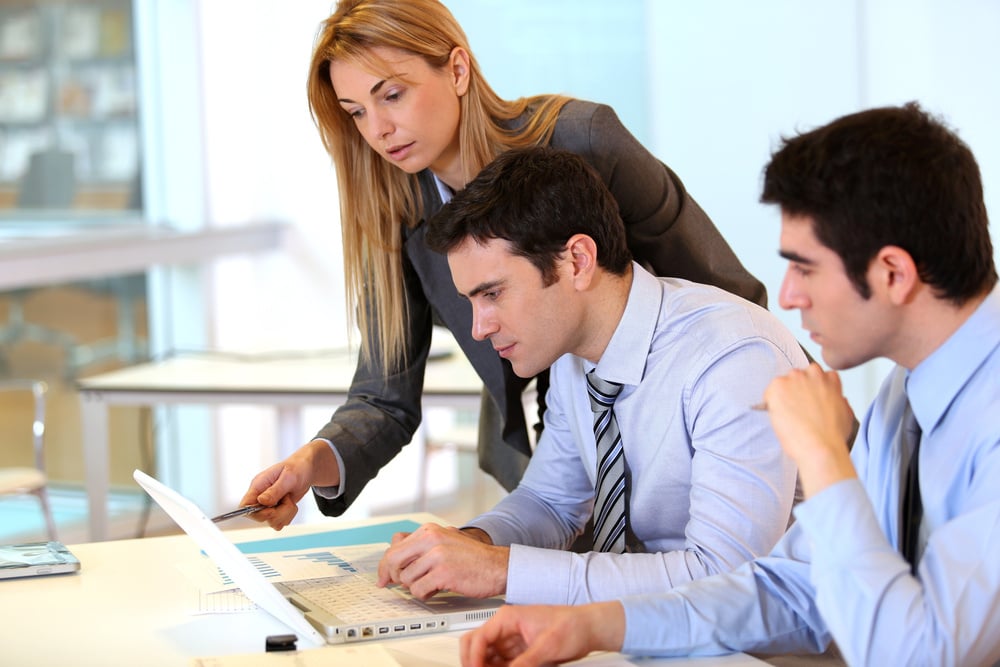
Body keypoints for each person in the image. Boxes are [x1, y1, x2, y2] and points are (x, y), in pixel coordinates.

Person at [459, 102, 1000, 667]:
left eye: (805, 268)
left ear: (892, 273)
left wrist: (823, 459)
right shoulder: (903, 398)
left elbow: (923, 653)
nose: (787, 296)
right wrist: (595, 625)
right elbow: (788, 588)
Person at [239, 0, 769, 528]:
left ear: (458, 69)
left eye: (392, 95)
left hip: (677, 445)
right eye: (356, 112)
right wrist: (313, 461)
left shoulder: (584, 140)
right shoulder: (394, 207)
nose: (378, 130)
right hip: (545, 472)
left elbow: (729, 302)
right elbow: (384, 396)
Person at [372, 145, 806, 605]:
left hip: (770, 650)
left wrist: (501, 570)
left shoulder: (732, 357)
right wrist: (470, 545)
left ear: (576, 260)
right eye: (471, 302)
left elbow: (726, 579)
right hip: (643, 632)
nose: (479, 328)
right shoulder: (572, 354)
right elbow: (550, 503)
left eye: (493, 294)